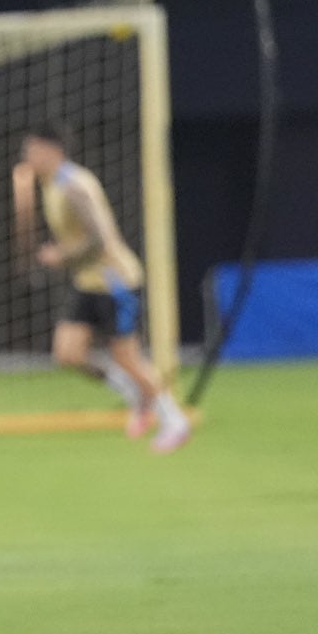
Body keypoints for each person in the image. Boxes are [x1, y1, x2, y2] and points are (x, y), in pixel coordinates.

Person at [12, 122, 190, 453]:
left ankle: (174, 419)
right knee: (67, 354)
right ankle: (136, 395)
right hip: (88, 281)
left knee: (127, 357)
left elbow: (99, 239)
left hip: (115, 281)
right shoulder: (48, 184)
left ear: (52, 151)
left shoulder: (73, 185)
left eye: (32, 150)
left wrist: (60, 256)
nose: (27, 157)